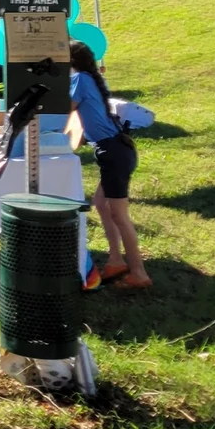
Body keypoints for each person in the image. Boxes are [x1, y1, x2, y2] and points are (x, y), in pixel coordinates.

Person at [69, 42, 149, 289]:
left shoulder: (80, 79)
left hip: (113, 152)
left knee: (119, 215)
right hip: (116, 150)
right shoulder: (86, 78)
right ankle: (116, 260)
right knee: (102, 205)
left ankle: (139, 273)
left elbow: (64, 110)